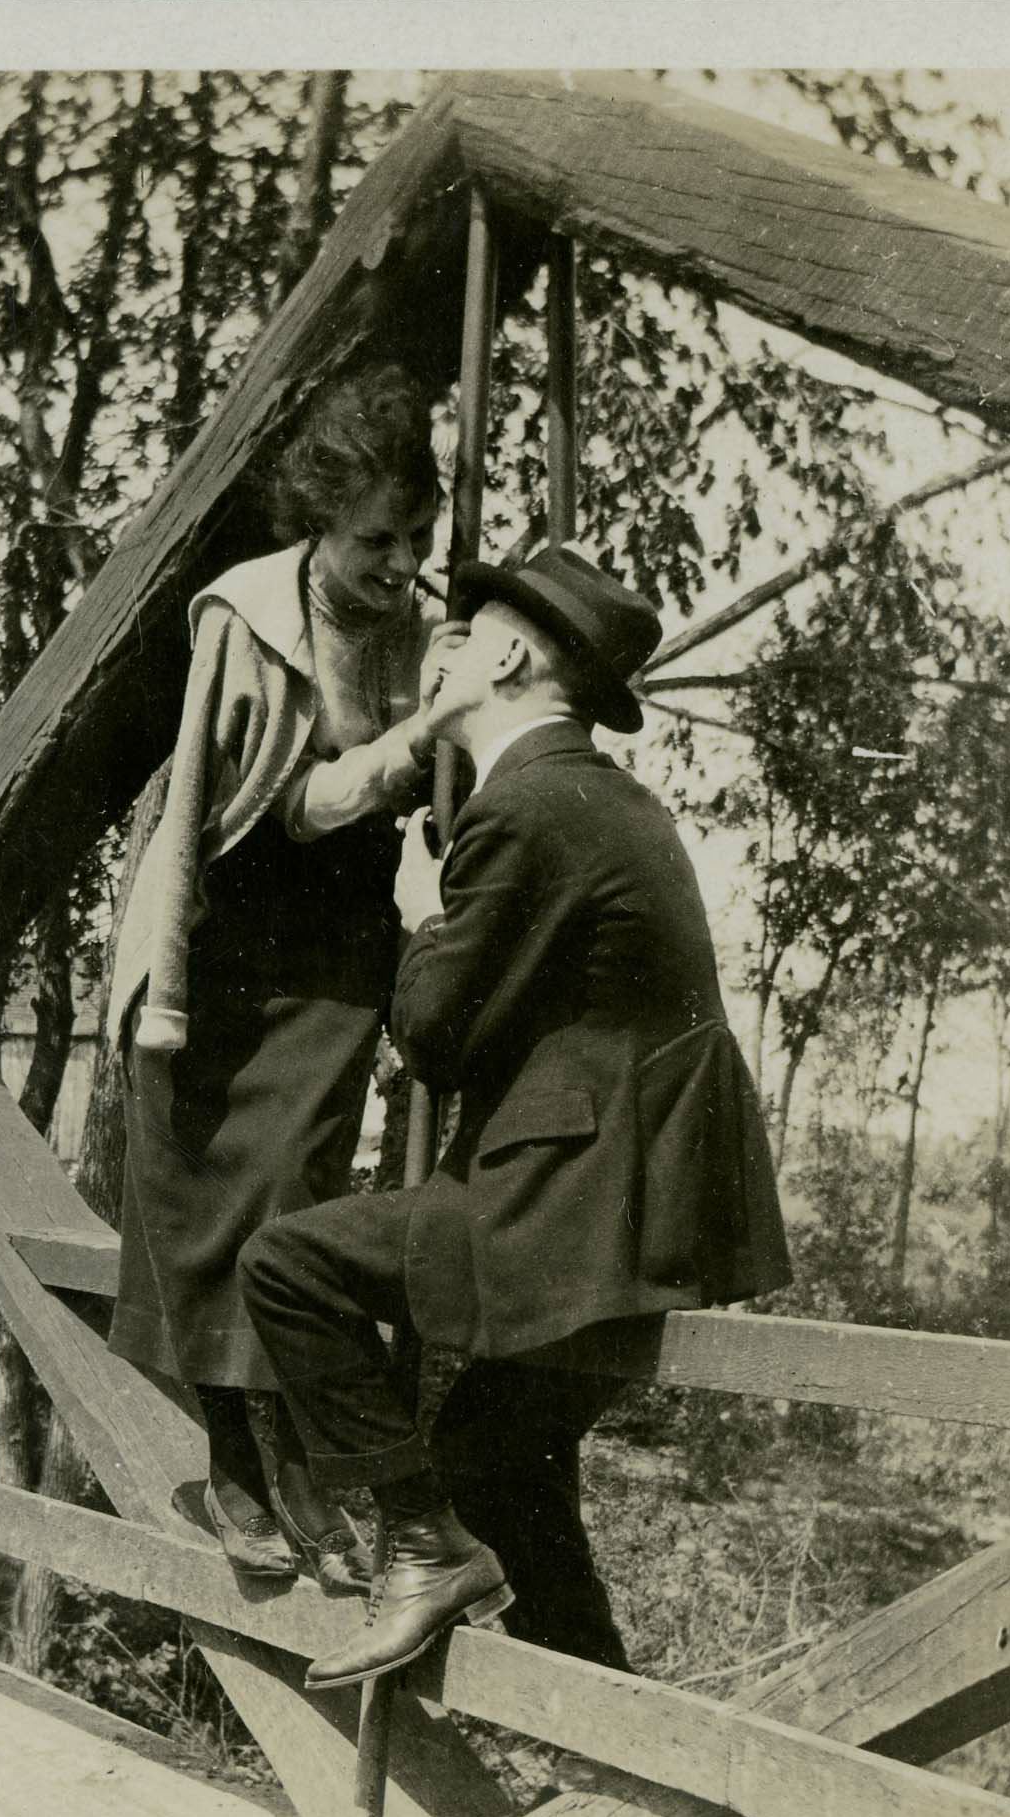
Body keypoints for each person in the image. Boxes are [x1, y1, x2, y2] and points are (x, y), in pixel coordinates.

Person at [238, 545, 792, 1689]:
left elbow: (437, 1035)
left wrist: (418, 911)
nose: (433, 652)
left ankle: (417, 1547)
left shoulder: (531, 808)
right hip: (632, 1195)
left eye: (459, 631)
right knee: (497, 1465)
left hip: (583, 1200)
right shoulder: (588, 798)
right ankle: (614, 1771)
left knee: (289, 1265)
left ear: (506, 655)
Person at [106, 366, 489, 1593]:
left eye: (418, 540)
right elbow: (286, 806)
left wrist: (446, 737)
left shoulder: (424, 632)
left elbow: (387, 802)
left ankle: (300, 1452)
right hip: (226, 919)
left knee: (297, 1194)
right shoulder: (245, 615)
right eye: (376, 539)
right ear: (319, 521)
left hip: (337, 945)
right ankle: (231, 1457)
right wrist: (413, 742)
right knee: (202, 1191)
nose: (398, 565)